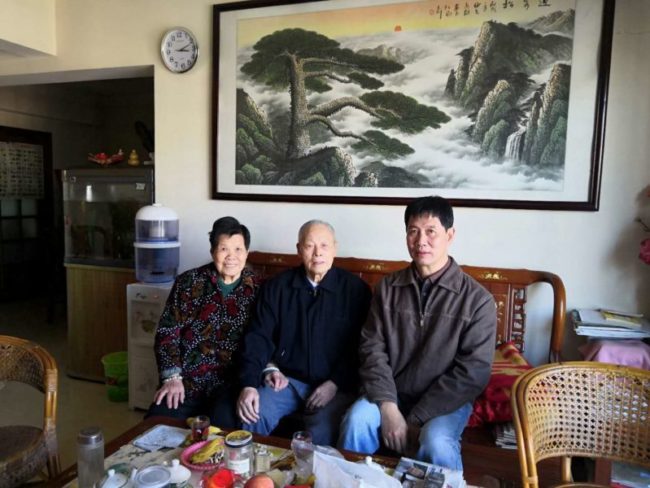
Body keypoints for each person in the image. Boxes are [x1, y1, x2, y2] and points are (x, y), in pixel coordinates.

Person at [338, 196, 497, 470]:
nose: (421, 240)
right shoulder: (388, 288)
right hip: (391, 392)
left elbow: (472, 373)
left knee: (436, 441)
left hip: (445, 402)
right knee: (356, 420)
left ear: (450, 235)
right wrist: (388, 407)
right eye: (413, 231)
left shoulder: (477, 300)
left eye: (431, 231)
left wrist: (415, 419)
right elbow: (371, 349)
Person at [235, 220, 372, 445]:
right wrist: (253, 380)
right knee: (254, 413)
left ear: (335, 248)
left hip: (335, 386)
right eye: (309, 246)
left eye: (324, 246)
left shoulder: (355, 290)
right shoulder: (277, 287)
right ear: (299, 249)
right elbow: (259, 336)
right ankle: (252, 468)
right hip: (286, 381)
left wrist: (335, 382)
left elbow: (362, 347)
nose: (318, 253)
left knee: (320, 435)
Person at [147, 216, 262, 421]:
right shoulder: (189, 282)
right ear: (212, 251)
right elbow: (167, 331)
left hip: (230, 386)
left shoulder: (258, 289)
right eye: (224, 249)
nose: (231, 256)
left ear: (246, 253)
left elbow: (266, 336)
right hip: (185, 383)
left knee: (222, 430)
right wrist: (172, 377)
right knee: (156, 424)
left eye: (238, 249)